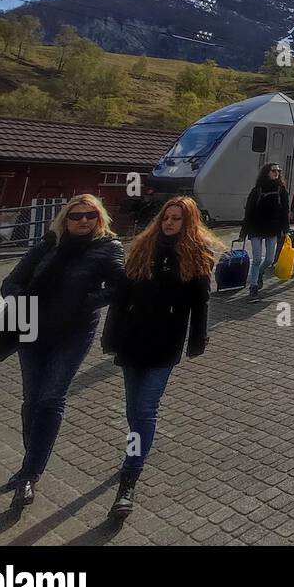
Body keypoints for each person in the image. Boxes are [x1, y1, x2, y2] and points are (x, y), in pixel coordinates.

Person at [0, 194, 124, 510]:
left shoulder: (108, 247)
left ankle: (29, 475)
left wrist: (87, 302)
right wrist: (23, 298)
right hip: (32, 331)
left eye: (90, 215)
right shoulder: (48, 244)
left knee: (51, 398)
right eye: (76, 215)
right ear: (65, 219)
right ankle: (31, 462)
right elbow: (10, 282)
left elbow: (122, 285)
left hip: (73, 332)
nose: (83, 220)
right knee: (31, 400)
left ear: (100, 218)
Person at [101, 196, 218, 520]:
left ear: (188, 222)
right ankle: (135, 449)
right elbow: (121, 296)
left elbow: (201, 302)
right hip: (131, 339)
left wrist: (197, 340)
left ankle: (128, 480)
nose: (169, 223)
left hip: (165, 344)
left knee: (144, 409)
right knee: (132, 410)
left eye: (177, 219)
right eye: (166, 217)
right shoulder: (143, 247)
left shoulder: (196, 254)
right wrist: (110, 335)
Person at [239, 162, 289, 301]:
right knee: (256, 259)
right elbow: (248, 212)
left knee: (269, 259)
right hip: (256, 228)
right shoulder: (257, 190)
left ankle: (259, 273)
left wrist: (286, 229)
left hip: (272, 229)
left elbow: (285, 211)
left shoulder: (281, 190)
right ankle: (253, 288)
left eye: (278, 171)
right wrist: (244, 231)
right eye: (273, 171)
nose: (276, 173)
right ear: (266, 172)